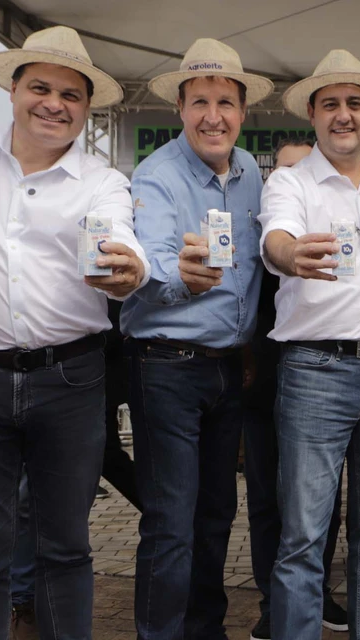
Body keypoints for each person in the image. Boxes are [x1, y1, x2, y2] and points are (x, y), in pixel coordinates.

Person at [0, 26, 148, 639]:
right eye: (41, 88)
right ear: (14, 90)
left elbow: (121, 240)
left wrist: (129, 272)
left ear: (87, 107)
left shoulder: (101, 180)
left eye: (71, 95)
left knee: (66, 546)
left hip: (71, 379)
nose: (54, 103)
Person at [258, 49, 360, 639]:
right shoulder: (289, 182)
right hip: (314, 371)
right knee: (304, 534)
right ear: (313, 115)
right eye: (331, 104)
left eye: (354, 103)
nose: (343, 115)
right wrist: (290, 255)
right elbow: (276, 239)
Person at [117, 38, 273, 639]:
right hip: (166, 367)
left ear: (242, 111)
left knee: (215, 515)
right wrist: (178, 278)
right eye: (201, 102)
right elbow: (147, 266)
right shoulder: (156, 177)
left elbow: (257, 268)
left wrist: (249, 346)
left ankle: (203, 629)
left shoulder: (252, 170)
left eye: (227, 103)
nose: (215, 115)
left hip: (229, 368)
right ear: (179, 108)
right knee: (171, 523)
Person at [246, 137, 351, 640]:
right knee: (269, 497)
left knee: (319, 500)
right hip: (261, 380)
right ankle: (274, 603)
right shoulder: (260, 239)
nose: (291, 179)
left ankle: (317, 593)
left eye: (301, 169)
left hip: (317, 378)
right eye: (282, 171)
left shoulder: (328, 240)